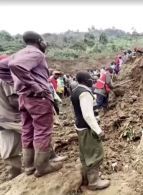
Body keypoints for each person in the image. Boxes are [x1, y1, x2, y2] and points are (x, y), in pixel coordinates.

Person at [8, 31, 63, 177]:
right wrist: (36, 86)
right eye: (44, 41)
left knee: (28, 130)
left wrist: (22, 84)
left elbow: (9, 67)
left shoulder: (17, 54)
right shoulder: (37, 53)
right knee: (42, 130)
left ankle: (29, 166)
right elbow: (15, 66)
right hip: (37, 98)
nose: (45, 44)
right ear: (39, 41)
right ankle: (42, 166)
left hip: (23, 97)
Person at [71, 72, 110, 190]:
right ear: (84, 80)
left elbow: (74, 111)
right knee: (95, 154)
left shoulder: (75, 91)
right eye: (90, 79)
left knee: (85, 154)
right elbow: (88, 115)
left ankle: (87, 178)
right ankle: (93, 182)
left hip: (80, 127)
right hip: (88, 129)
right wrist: (98, 131)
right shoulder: (85, 93)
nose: (92, 81)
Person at [0, 56, 22, 180]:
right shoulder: (5, 80)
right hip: (13, 118)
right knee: (38, 133)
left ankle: (14, 174)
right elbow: (15, 101)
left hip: (2, 120)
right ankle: (42, 163)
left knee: (8, 149)